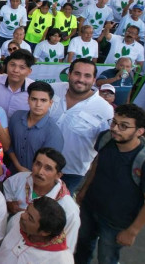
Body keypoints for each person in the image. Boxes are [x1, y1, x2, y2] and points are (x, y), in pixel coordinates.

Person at [75, 104, 145, 264]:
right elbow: (97, 163)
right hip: (90, 208)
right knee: (82, 247)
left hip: (116, 223)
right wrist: (84, 190)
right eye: (114, 122)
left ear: (140, 131)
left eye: (124, 126)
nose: (115, 128)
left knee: (107, 257)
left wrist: (132, 231)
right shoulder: (106, 138)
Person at [47, 58, 114, 193]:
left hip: (71, 173)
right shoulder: (52, 90)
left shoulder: (105, 110)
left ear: (94, 79)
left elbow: (108, 145)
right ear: (69, 74)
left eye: (87, 76)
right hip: (39, 163)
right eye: (77, 73)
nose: (81, 79)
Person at [3, 147, 80, 251]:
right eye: (37, 164)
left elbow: (66, 247)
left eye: (48, 168)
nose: (40, 172)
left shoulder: (68, 210)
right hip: (8, 242)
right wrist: (9, 203)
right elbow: (7, 188)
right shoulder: (21, 179)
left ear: (58, 175)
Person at [0, 197, 73, 263]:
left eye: (30, 218)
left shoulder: (61, 260)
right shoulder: (18, 219)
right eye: (27, 210)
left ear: (45, 232)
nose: (23, 216)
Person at [7, 81, 64, 173]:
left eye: (43, 100)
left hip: (36, 179)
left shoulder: (54, 133)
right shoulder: (16, 117)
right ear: (28, 99)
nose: (38, 104)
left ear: (50, 103)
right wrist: (18, 166)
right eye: (34, 99)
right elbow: (8, 144)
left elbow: (50, 165)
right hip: (10, 173)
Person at [0, 50, 36, 116]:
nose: (15, 70)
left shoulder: (34, 90)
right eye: (12, 65)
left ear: (29, 71)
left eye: (22, 67)